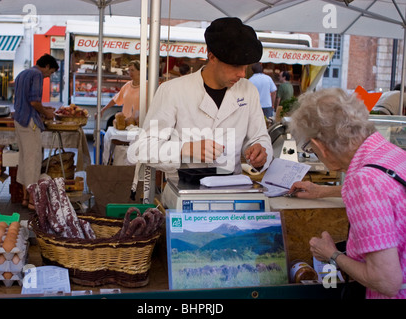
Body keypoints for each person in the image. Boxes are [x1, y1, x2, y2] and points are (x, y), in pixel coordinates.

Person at [288, 87, 406, 299]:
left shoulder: (362, 181)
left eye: (310, 149)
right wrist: (322, 191)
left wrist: (331, 254)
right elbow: (386, 192)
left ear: (320, 146)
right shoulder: (390, 154)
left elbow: (386, 281)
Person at [130, 17, 272, 178]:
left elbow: (259, 137)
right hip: (183, 192)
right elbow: (141, 148)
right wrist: (185, 149)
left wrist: (260, 150)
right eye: (235, 66)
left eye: (245, 67)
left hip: (232, 190)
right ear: (212, 57)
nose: (241, 74)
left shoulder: (249, 91)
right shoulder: (173, 91)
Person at [13, 54, 59, 211]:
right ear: (46, 66)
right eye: (51, 72)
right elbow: (33, 101)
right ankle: (33, 200)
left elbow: (27, 100)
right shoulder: (37, 74)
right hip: (29, 122)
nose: (49, 76)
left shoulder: (22, 74)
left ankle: (25, 197)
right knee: (33, 160)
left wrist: (44, 109)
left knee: (24, 158)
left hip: (19, 120)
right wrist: (46, 113)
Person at [97, 60, 141, 125]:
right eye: (129, 70)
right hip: (126, 123)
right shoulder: (127, 85)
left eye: (132, 70)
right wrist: (103, 109)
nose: (130, 73)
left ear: (140, 71)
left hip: (139, 124)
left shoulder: (147, 86)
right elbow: (116, 99)